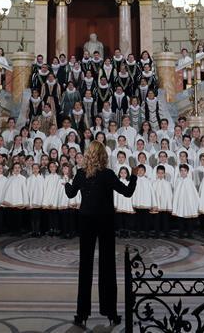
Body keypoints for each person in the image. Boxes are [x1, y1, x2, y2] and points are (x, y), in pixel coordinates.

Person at [64, 141, 137, 328]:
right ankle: (111, 313)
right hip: (105, 221)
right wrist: (134, 176)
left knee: (85, 266)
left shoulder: (80, 174)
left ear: (88, 155)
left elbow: (71, 194)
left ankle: (82, 314)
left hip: (86, 220)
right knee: (107, 266)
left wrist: (66, 182)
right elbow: (128, 192)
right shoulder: (108, 174)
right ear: (104, 156)